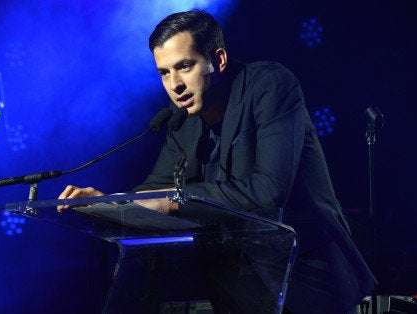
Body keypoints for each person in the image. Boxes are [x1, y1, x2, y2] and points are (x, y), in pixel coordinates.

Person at [59, 9, 376, 313]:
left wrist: (172, 202)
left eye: (184, 66)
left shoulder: (270, 84)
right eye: (164, 73)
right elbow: (154, 190)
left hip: (310, 283)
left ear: (218, 60)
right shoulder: (182, 121)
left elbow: (267, 192)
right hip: (240, 288)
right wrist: (109, 203)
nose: (174, 84)